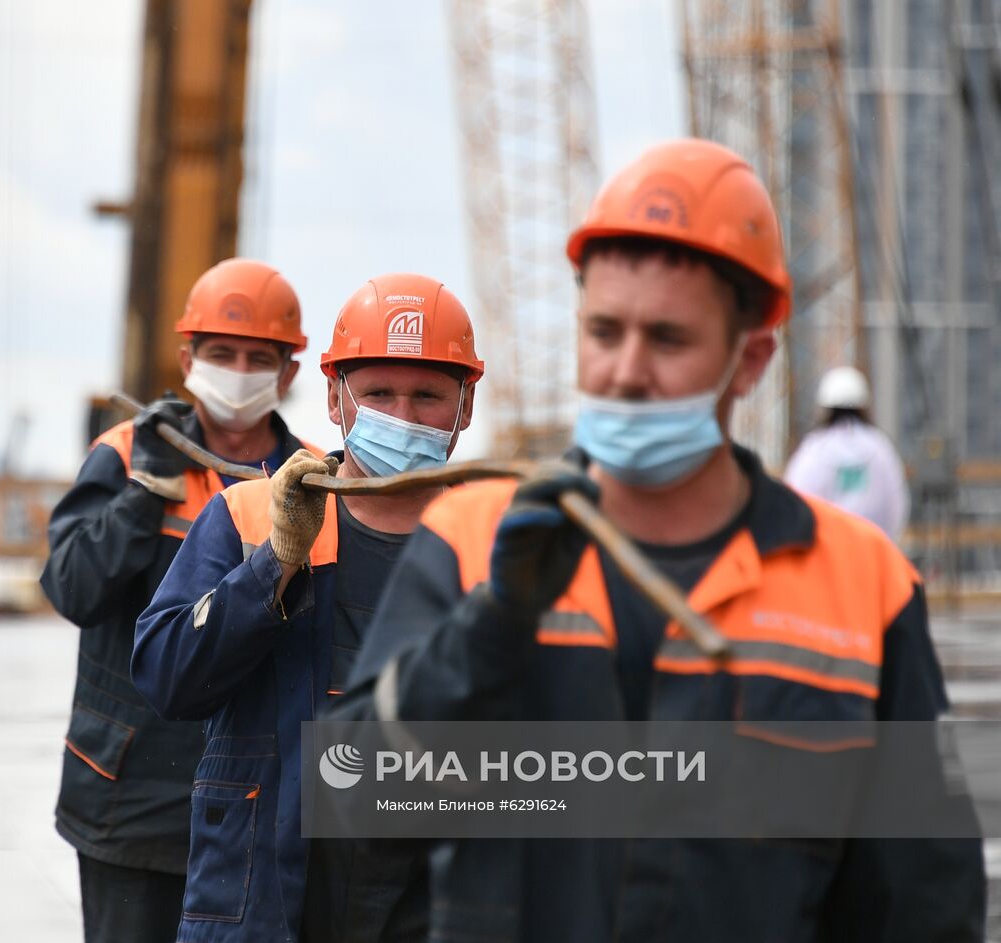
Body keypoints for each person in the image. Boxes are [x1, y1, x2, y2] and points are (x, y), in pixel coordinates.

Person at [331, 139, 985, 941]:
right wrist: (493, 625)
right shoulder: (473, 542)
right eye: (604, 332)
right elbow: (358, 794)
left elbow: (922, 904)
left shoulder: (862, 583)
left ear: (750, 359)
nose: (625, 370)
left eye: (667, 340)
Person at [132, 273, 483, 942]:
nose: (402, 416)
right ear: (333, 396)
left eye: (428, 396)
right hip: (268, 898)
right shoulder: (247, 516)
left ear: (466, 405)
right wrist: (276, 563)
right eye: (378, 392)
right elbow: (165, 676)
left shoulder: (500, 540)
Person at [40, 258, 319, 943]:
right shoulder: (123, 453)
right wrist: (143, 495)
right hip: (131, 800)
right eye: (222, 352)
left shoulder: (311, 481)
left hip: (260, 809)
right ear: (188, 355)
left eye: (260, 356)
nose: (239, 368)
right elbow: (73, 587)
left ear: (289, 372)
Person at [784, 365, 910, 541]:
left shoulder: (813, 450)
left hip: (824, 557)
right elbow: (896, 506)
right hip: (872, 555)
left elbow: (794, 502)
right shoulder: (880, 448)